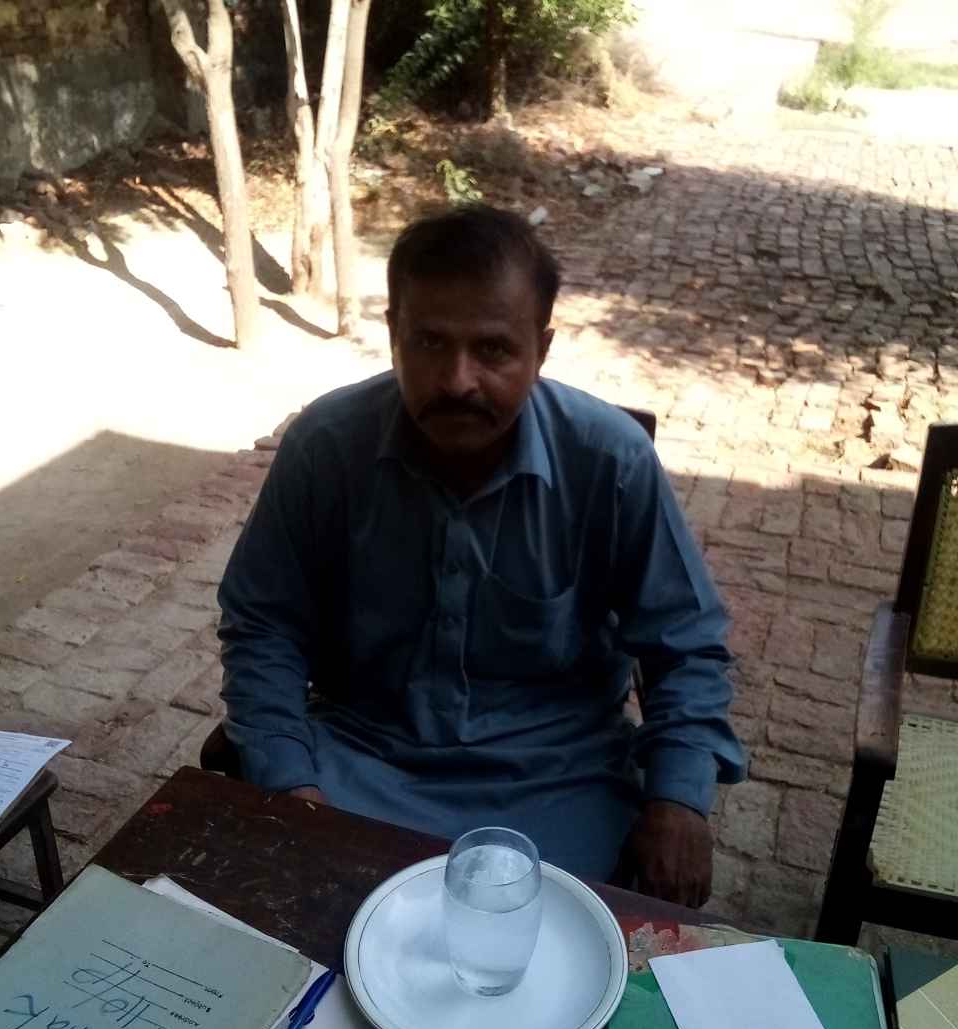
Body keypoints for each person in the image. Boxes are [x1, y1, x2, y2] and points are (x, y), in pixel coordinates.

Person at [217, 204, 746, 907]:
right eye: (429, 343)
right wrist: (289, 780)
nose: (458, 380)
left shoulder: (610, 462)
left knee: (558, 958)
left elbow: (685, 645)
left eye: (493, 350)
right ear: (393, 336)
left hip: (562, 782)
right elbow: (263, 623)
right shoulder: (327, 445)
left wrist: (678, 799)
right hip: (360, 761)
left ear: (541, 350)